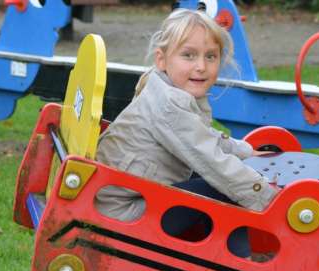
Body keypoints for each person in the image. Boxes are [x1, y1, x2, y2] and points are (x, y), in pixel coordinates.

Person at [95, 8, 278, 258]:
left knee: (218, 182)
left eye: (211, 56)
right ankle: (242, 268)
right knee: (225, 186)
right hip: (125, 215)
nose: (201, 66)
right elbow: (212, 161)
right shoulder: (170, 105)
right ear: (162, 59)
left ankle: (228, 258)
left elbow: (203, 138)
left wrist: (244, 151)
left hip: (118, 202)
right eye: (188, 55)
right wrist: (268, 198)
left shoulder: (164, 86)